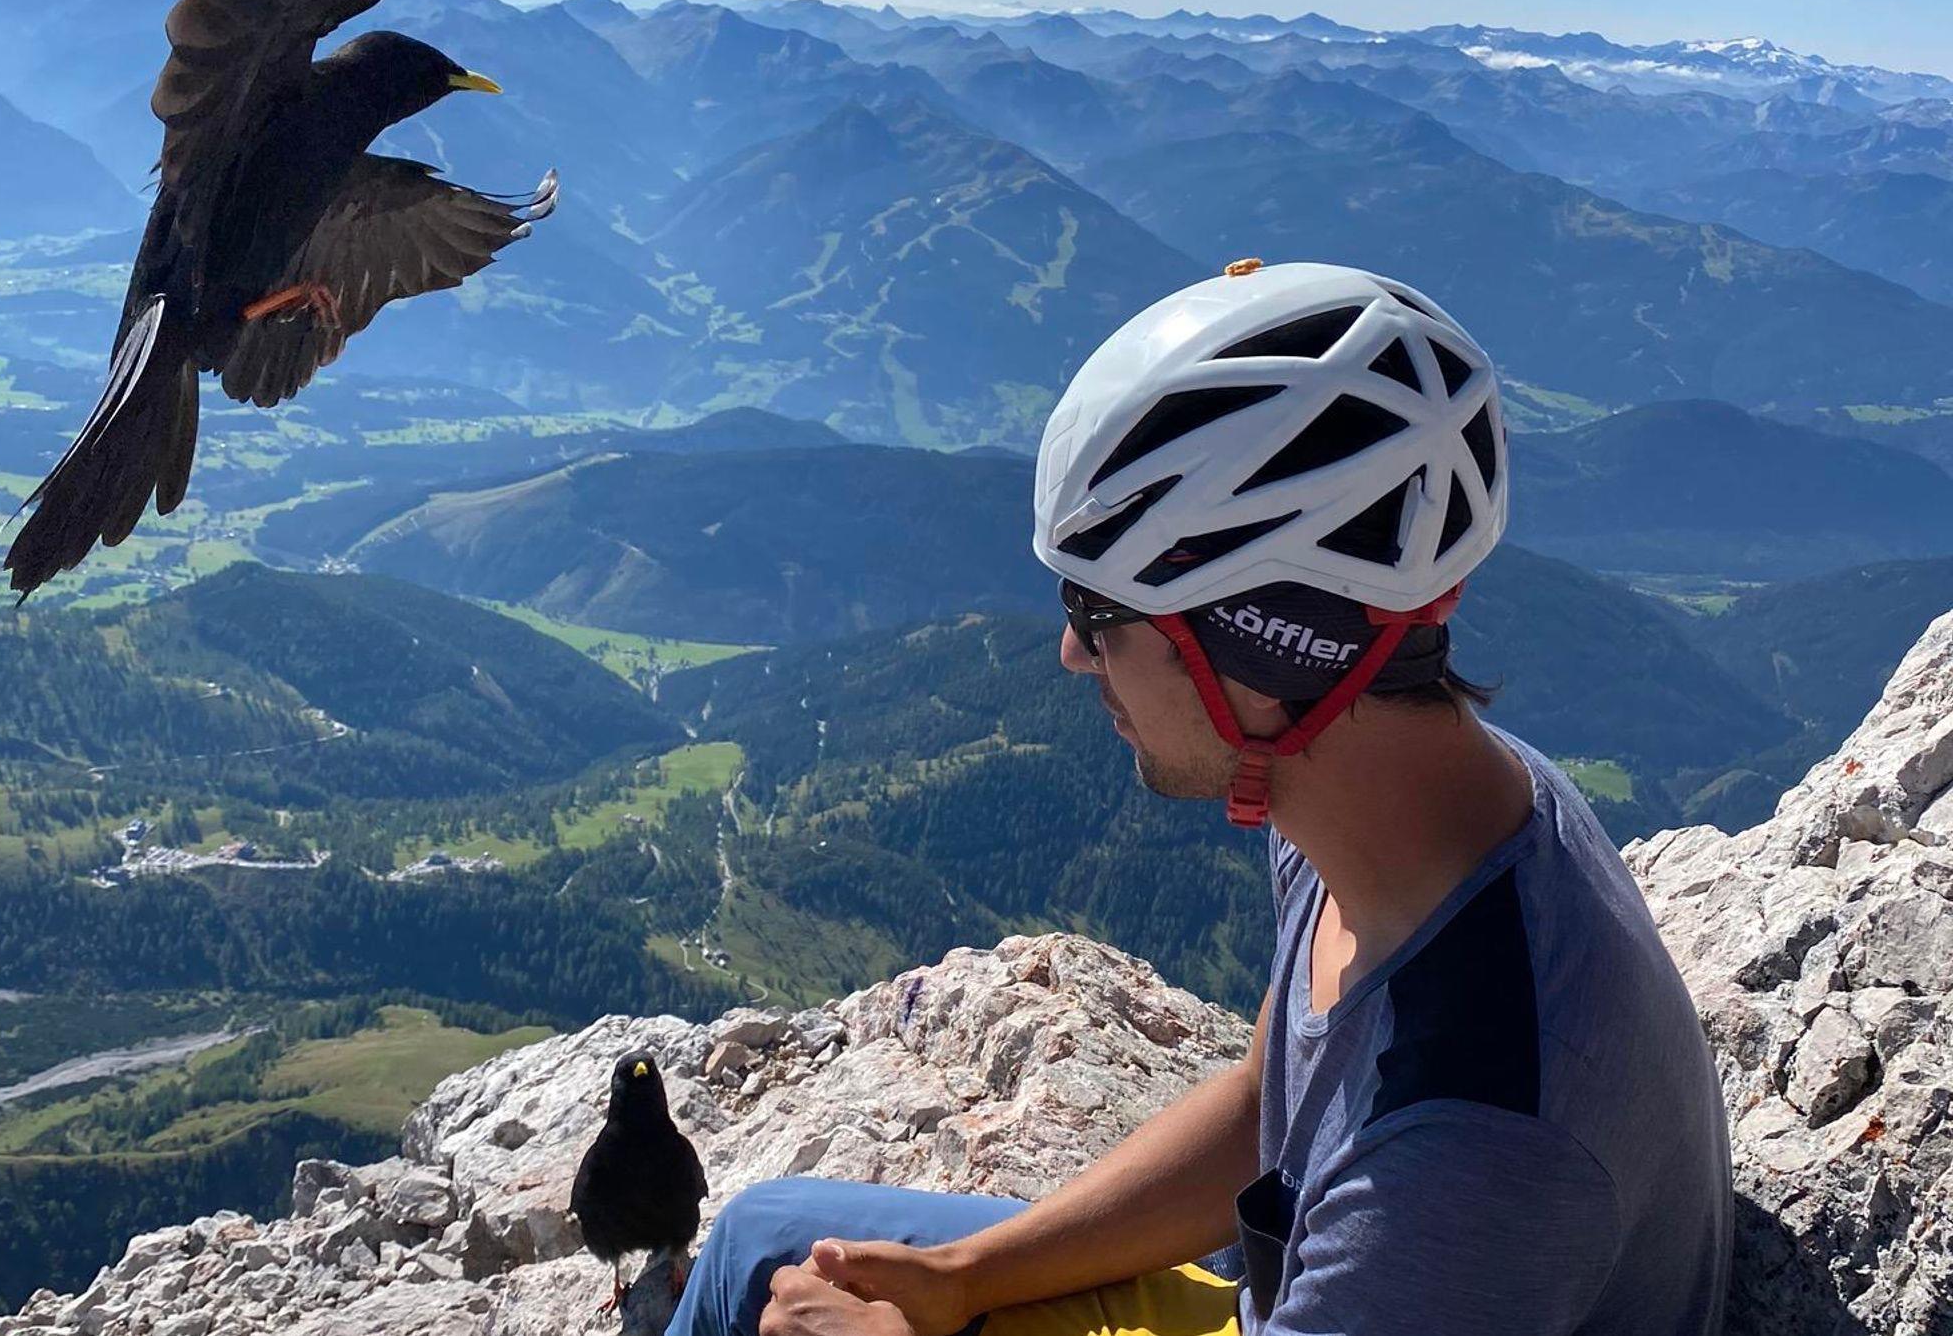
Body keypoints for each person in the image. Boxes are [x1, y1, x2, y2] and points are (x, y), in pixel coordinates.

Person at [666, 262, 1733, 1336]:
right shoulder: (1394, 811)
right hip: (1287, 1284)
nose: (1071, 652)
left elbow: (1410, 1194)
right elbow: (1264, 1105)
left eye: (1096, 610)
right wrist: (967, 1271)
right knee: (760, 1237)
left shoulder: (1468, 1155)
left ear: (1255, 660)